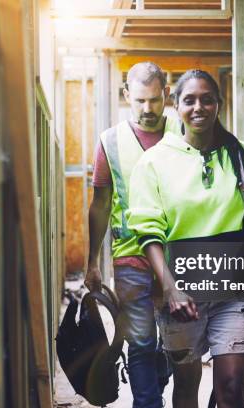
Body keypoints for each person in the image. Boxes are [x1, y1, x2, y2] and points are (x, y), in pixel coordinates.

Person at [127, 69, 244, 408]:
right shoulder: (153, 163)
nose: (199, 107)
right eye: (189, 100)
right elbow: (148, 233)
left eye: (207, 99)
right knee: (187, 386)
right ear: (176, 106)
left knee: (232, 386)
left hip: (235, 286)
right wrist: (170, 287)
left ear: (219, 105)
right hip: (183, 289)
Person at [84, 61, 179, 408]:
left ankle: (158, 375)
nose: (148, 108)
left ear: (166, 95)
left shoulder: (184, 135)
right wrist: (91, 261)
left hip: (178, 255)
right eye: (139, 101)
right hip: (131, 254)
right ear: (127, 95)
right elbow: (101, 204)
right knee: (140, 341)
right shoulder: (110, 142)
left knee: (176, 344)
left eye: (154, 100)